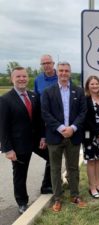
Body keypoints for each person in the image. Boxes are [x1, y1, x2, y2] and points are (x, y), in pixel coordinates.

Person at [41, 61, 87, 212]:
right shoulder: (48, 91)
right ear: (57, 72)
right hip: (55, 136)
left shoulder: (78, 91)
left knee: (73, 168)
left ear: (70, 72)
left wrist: (72, 128)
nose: (63, 73)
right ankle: (57, 198)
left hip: (73, 136)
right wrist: (61, 128)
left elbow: (83, 112)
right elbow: (45, 113)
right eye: (61, 70)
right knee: (55, 168)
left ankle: (75, 195)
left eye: (66, 71)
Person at [0, 67, 46, 214]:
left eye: (24, 76)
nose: (22, 79)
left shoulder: (33, 96)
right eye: (18, 76)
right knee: (20, 175)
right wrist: (7, 149)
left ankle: (47, 186)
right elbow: (3, 127)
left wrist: (43, 136)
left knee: (53, 158)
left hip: (37, 142)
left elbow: (39, 120)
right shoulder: (5, 100)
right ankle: (22, 202)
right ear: (12, 79)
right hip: (19, 145)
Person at [33, 54, 58, 194]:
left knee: (58, 153)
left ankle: (54, 181)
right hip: (44, 121)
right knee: (51, 154)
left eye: (49, 62)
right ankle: (47, 184)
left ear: (53, 63)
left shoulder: (60, 77)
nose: (46, 65)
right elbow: (36, 101)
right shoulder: (38, 80)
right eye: (44, 63)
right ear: (41, 65)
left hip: (60, 121)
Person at [83, 76, 99, 199]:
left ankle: (98, 184)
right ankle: (92, 187)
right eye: (92, 84)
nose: (94, 86)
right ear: (88, 86)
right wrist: (98, 133)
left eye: (96, 83)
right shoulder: (85, 99)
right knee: (91, 161)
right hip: (90, 135)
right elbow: (86, 120)